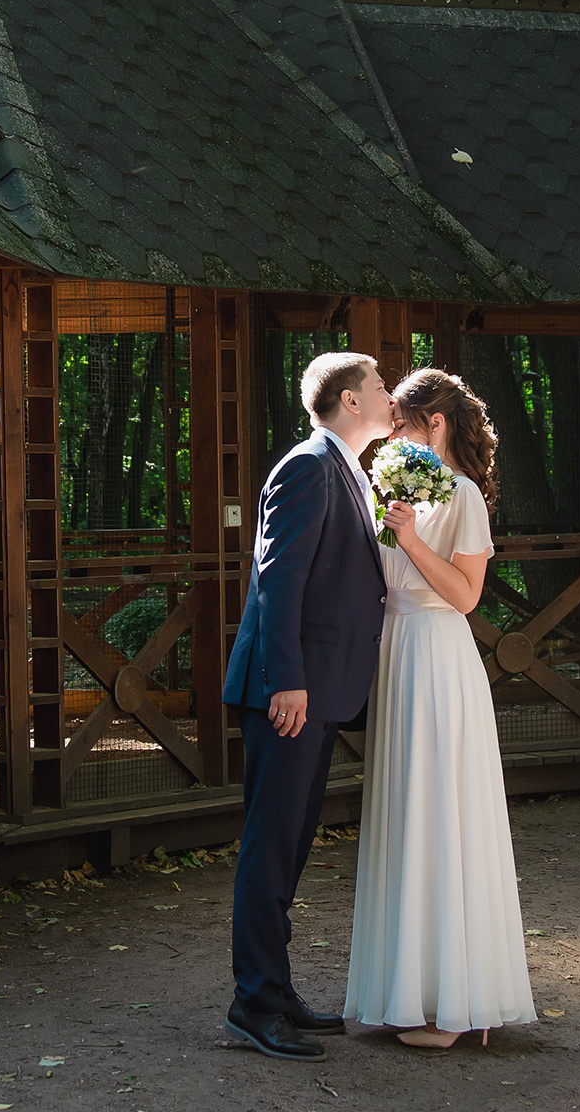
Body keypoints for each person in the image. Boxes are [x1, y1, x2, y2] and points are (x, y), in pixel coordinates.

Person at [343, 367, 536, 1048]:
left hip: (439, 659)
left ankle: (455, 1003)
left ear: (436, 425)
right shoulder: (399, 488)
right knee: (404, 817)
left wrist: (413, 538)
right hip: (396, 657)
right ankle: (409, 990)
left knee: (441, 816)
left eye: (399, 423)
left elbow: (465, 597)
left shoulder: (462, 497)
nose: (389, 435)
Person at [221, 350, 393, 1061]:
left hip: (318, 687)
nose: (389, 394)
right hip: (289, 691)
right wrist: (286, 679)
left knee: (289, 848)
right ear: (350, 401)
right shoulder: (307, 465)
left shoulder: (344, 469)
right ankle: (253, 1005)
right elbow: (277, 578)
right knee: (270, 848)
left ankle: (276, 990)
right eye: (380, 386)